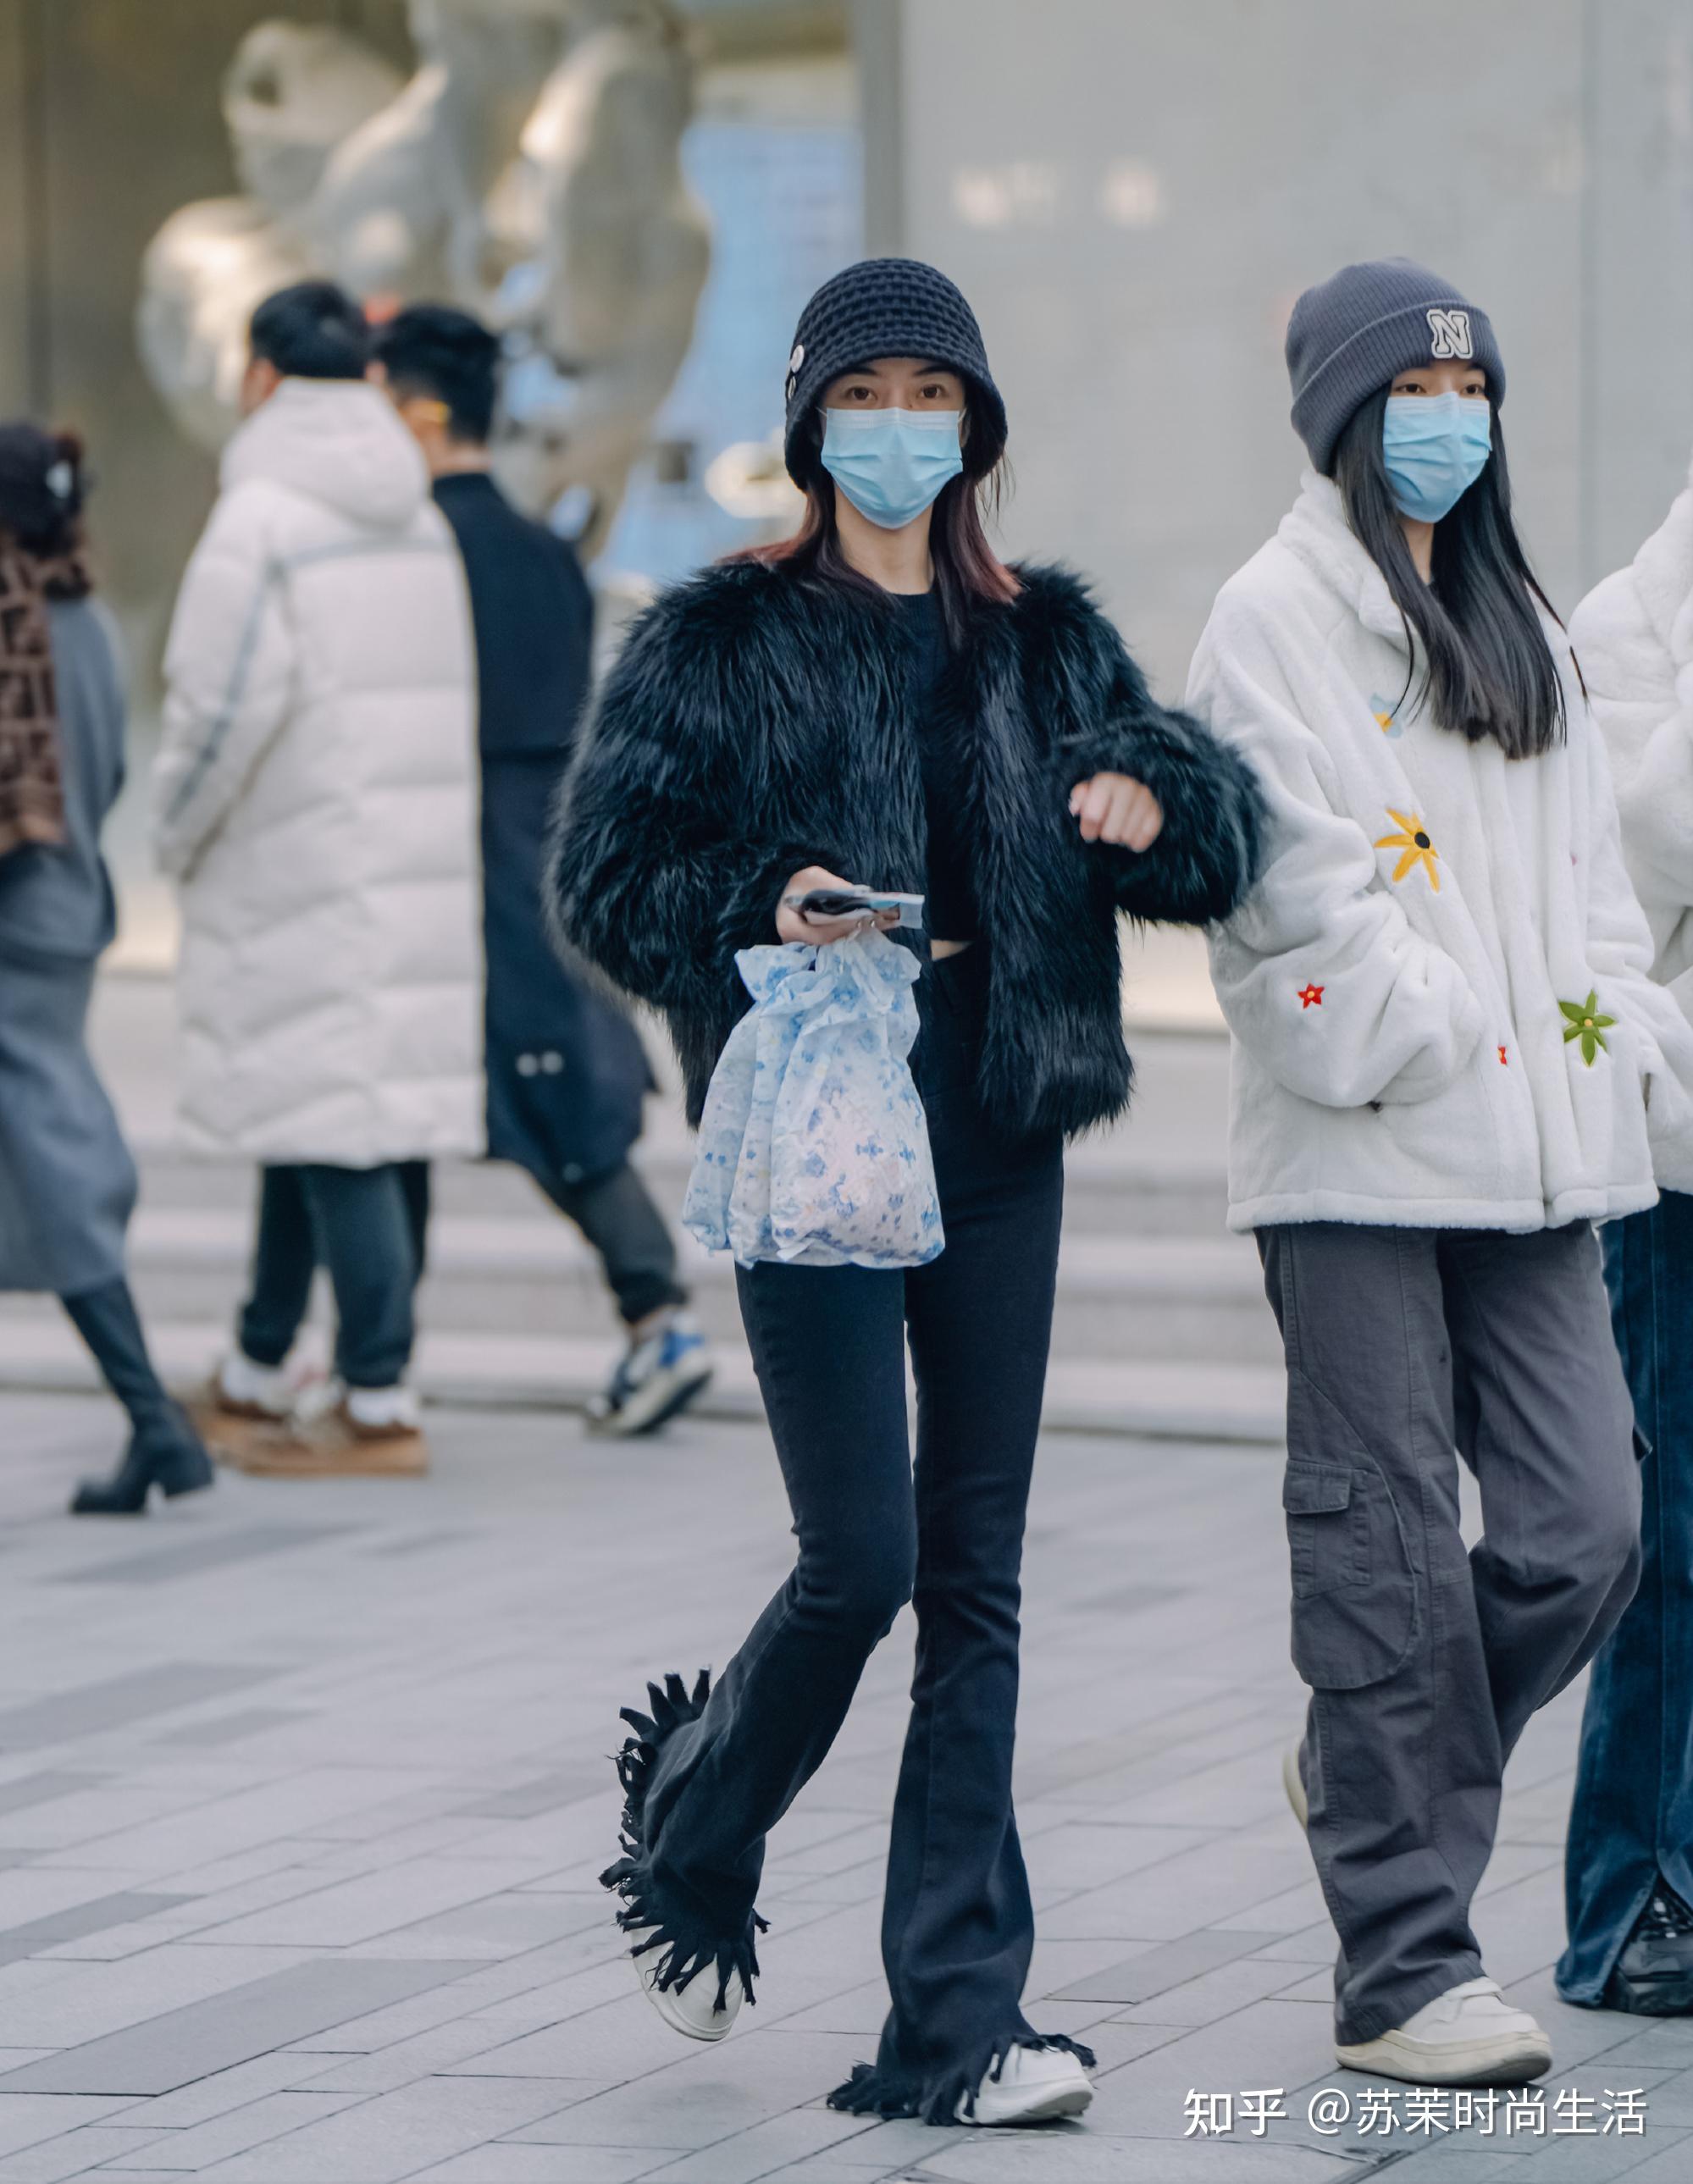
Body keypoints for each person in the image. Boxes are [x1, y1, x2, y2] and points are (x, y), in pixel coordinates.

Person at [548, 257, 1262, 2126]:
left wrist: (1151, 799)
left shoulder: (1044, 637)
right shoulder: (714, 635)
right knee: (858, 1557)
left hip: (997, 1119)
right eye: (859, 398)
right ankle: (697, 1824)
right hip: (813, 1124)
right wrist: (756, 898)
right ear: (808, 428)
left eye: (926, 397)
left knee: (978, 1578)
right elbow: (606, 880)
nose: (895, 430)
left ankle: (953, 2025)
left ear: (974, 428)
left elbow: (1201, 826)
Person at [1188, 257, 1693, 2085]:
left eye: (1471, 396)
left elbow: (1594, 898)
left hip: (1545, 1160)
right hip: (1361, 1157)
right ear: (1339, 412)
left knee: (1589, 1532)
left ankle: (1364, 1770)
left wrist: (1612, 1052)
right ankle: (1402, 1971)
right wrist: (1426, 1033)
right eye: (1412, 392)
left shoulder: (1518, 619)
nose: (1447, 424)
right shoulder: (1272, 618)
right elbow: (1283, 891)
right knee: (1387, 1556)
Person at [153, 279, 480, 1479]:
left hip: (296, 860)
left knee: (335, 1136)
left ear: (260, 379)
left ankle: (378, 1402)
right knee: (326, 1122)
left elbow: (220, 706)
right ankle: (255, 1368)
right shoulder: (417, 514)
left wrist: (173, 834)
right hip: (397, 865)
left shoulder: (264, 519)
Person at [368, 303, 713, 1435]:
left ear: (416, 413)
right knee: (551, 1089)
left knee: (444, 1107)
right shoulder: (543, 554)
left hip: (453, 863)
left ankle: (648, 1316)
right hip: (542, 854)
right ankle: (381, 1360)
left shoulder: (411, 555)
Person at [0, 424, 213, 1516]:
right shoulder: (78, 618)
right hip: (65, 906)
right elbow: (111, 767)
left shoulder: (11, 617)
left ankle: (156, 1421)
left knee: (51, 1160)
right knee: (44, 1157)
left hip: (18, 924)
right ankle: (155, 1425)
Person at [1557, 448, 1693, 2015]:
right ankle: (1630, 1901)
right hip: (1677, 1162)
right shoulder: (1624, 626)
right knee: (1666, 1539)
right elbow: (1658, 850)